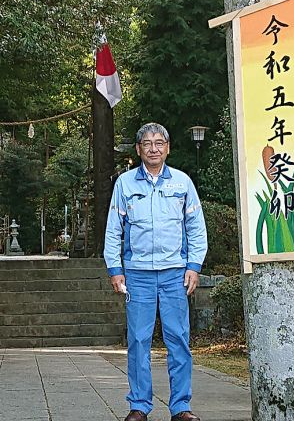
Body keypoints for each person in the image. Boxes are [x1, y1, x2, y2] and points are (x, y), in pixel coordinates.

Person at [104, 123, 207, 421]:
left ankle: (181, 407)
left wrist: (193, 266)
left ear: (168, 148)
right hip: (137, 275)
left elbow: (196, 230)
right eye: (147, 143)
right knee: (138, 341)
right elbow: (114, 231)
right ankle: (139, 406)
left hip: (176, 273)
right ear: (138, 150)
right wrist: (115, 269)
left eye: (159, 143)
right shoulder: (124, 184)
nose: (153, 148)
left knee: (179, 340)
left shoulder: (183, 183)